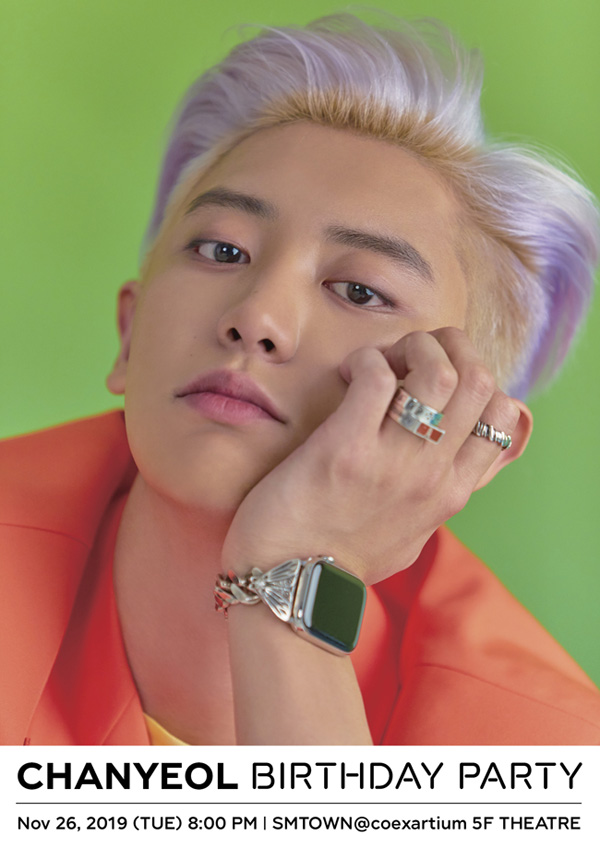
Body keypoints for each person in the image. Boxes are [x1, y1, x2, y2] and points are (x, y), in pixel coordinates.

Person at [1, 12, 599, 746]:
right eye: (222, 250)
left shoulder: (545, 749)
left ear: (475, 439)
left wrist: (291, 580)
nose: (257, 318)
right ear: (130, 332)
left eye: (359, 291)